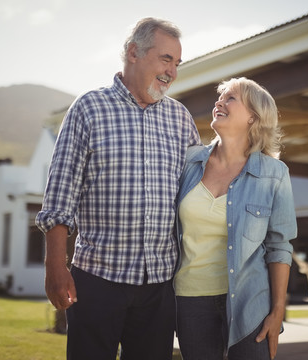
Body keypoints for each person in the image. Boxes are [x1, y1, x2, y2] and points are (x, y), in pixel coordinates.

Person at [36, 17, 201, 360]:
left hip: (159, 283)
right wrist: (56, 265)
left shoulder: (181, 119)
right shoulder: (88, 108)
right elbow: (60, 194)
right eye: (165, 59)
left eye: (177, 63)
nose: (172, 71)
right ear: (133, 53)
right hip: (97, 279)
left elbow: (195, 197)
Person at [174, 77, 297, 360]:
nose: (219, 102)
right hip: (190, 303)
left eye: (230, 98)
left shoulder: (274, 174)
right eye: (220, 97)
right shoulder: (188, 163)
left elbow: (280, 247)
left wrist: (277, 311)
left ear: (253, 116)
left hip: (249, 303)